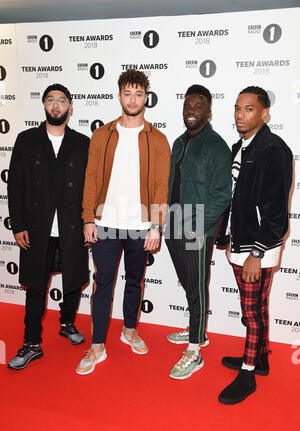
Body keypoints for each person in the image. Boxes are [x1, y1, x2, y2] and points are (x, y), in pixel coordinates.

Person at [76, 69, 170, 375]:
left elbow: (160, 186)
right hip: (105, 223)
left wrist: (156, 226)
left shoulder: (158, 139)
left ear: (146, 97)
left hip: (140, 226)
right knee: (102, 283)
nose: (133, 99)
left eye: (139, 94)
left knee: (134, 280)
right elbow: (90, 178)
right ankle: (97, 345)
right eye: (127, 93)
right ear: (119, 96)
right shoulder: (102, 135)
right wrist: (88, 218)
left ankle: (129, 329)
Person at [216, 86, 293, 404]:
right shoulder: (241, 146)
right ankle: (259, 358)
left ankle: (248, 373)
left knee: (253, 310)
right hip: (241, 240)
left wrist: (256, 253)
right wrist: (226, 236)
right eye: (236, 108)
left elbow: (276, 210)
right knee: (252, 310)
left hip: (258, 247)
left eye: (248, 109)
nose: (240, 114)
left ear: (265, 113)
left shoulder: (274, 149)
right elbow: (235, 198)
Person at [7, 84, 90, 370]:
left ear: (70, 106)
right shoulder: (26, 140)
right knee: (35, 286)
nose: (56, 105)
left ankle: (67, 323)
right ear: (44, 104)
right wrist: (17, 224)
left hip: (72, 227)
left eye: (62, 100)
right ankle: (31, 343)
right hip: (37, 228)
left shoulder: (82, 143)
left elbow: (90, 190)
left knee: (73, 281)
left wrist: (89, 222)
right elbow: (15, 185)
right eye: (51, 100)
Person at [165, 84, 232, 380]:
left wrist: (203, 229)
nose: (191, 111)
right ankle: (198, 329)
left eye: (197, 107)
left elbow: (222, 195)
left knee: (198, 285)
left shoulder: (216, 145)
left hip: (196, 227)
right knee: (188, 281)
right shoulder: (179, 142)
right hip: (173, 222)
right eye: (187, 106)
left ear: (208, 111)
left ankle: (195, 349)